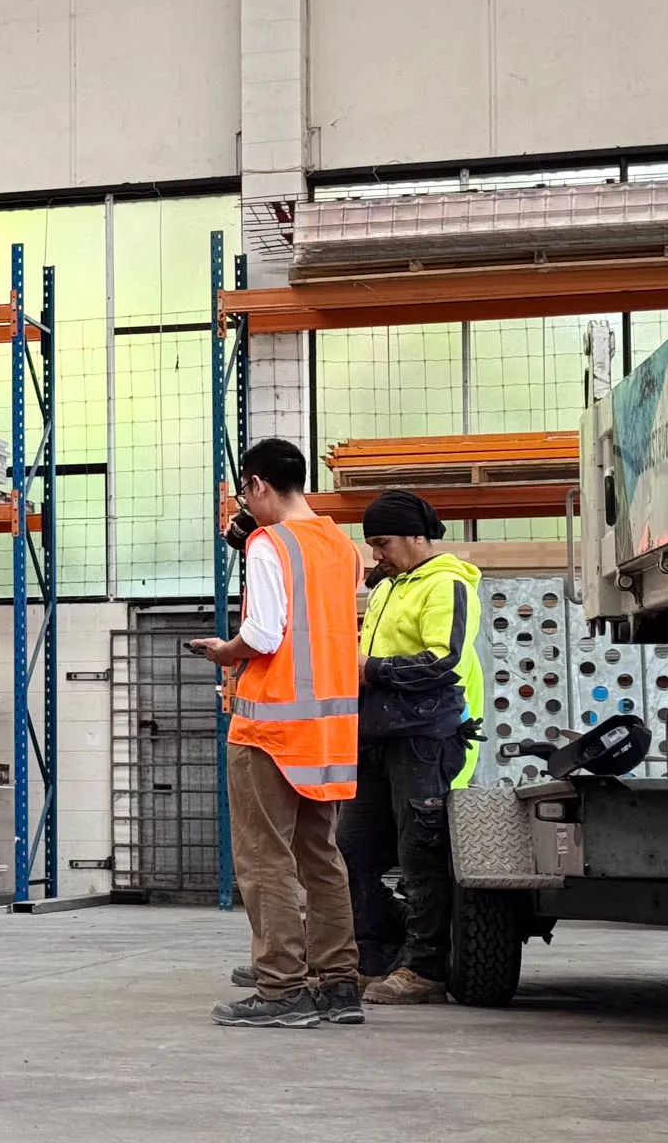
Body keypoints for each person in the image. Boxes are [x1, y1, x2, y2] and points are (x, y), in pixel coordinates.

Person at [188, 438, 363, 1030]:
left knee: (265, 861)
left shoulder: (269, 544)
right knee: (321, 857)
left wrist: (223, 652)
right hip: (329, 732)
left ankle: (282, 988)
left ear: (259, 485)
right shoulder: (343, 546)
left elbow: (263, 636)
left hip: (270, 730)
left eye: (245, 493)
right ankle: (339, 984)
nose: (245, 507)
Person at [339, 489, 484, 1006]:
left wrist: (370, 671)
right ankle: (377, 954)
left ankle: (424, 968)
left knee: (421, 852)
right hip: (377, 737)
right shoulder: (387, 589)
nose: (375, 554)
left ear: (415, 537)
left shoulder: (446, 585)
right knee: (350, 848)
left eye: (382, 543)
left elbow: (443, 659)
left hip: (424, 737)